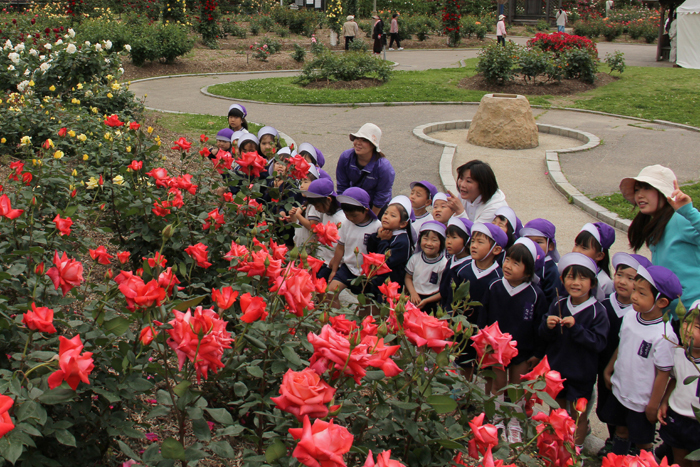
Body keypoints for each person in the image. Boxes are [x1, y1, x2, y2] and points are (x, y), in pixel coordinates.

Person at [601, 265, 681, 455]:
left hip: (642, 400)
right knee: (621, 430)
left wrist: (653, 404)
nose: (634, 296)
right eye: (635, 289)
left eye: (641, 293)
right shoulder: (630, 316)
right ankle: (617, 459)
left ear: (661, 302)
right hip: (621, 388)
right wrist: (608, 369)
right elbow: (623, 344)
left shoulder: (664, 335)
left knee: (643, 441)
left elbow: (664, 373)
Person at [479, 238, 549, 443]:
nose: (508, 265)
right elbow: (484, 317)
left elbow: (539, 326)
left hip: (522, 350)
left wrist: (537, 352)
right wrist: (485, 343)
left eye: (516, 263)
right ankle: (498, 417)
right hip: (496, 348)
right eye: (507, 259)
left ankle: (515, 422)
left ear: (528, 272)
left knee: (517, 387)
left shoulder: (535, 295)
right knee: (498, 384)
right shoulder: (494, 287)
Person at [540, 253, 610, 449]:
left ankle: (575, 451)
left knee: (578, 415)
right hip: (557, 372)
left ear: (593, 283)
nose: (576, 283)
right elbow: (544, 336)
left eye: (582, 278)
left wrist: (577, 328)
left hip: (582, 375)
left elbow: (599, 343)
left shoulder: (598, 311)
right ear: (562, 280)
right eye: (571, 277)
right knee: (557, 411)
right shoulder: (558, 304)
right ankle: (556, 448)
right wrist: (547, 325)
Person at [620, 165, 700, 315]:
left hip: (691, 314)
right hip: (670, 313)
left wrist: (689, 211)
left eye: (647, 188)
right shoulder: (655, 223)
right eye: (637, 189)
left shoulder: (680, 219)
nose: (639, 195)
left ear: (663, 192)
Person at [596, 252, 652, 456]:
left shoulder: (638, 313)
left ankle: (633, 445)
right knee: (608, 405)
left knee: (628, 410)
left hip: (630, 370)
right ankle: (613, 439)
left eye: (631, 278)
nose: (622, 282)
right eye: (619, 275)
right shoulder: (604, 304)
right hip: (606, 364)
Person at [658, 301, 700, 467]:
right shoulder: (678, 353)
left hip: (697, 423)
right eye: (687, 323)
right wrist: (664, 401)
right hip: (677, 416)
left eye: (698, 327)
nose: (689, 330)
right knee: (679, 460)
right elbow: (675, 379)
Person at [327, 187, 381, 307]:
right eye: (347, 215)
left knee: (365, 303)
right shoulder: (346, 224)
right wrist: (334, 270)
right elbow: (340, 247)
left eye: (354, 215)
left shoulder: (376, 226)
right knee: (331, 292)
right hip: (348, 267)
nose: (351, 218)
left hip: (367, 272)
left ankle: (361, 324)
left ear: (366, 210)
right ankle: (338, 319)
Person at [336, 123, 395, 216]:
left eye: (364, 140)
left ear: (373, 145)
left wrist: (372, 219)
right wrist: (344, 212)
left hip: (376, 208)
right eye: (356, 138)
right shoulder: (345, 157)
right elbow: (342, 186)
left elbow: (381, 196)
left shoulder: (384, 167)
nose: (358, 143)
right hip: (353, 203)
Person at [367, 195, 415, 289]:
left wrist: (383, 241)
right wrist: (377, 237)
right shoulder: (384, 232)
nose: (386, 217)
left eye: (392, 215)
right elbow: (370, 250)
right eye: (385, 213)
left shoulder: (402, 242)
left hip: (390, 285)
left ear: (403, 224)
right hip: (376, 280)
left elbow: (385, 262)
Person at [404, 221, 448, 313]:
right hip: (415, 298)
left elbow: (444, 290)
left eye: (434, 240)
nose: (429, 243)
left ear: (441, 243)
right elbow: (408, 277)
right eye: (426, 239)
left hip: (432, 301)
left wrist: (427, 300)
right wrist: (413, 293)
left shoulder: (443, 264)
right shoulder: (415, 258)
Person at [521, 218, 562, 307]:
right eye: (529, 241)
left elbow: (552, 300)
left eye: (539, 242)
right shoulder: (519, 262)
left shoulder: (551, 271)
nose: (533, 245)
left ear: (550, 246)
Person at [573, 222, 616, 301]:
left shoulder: (605, 282)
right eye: (576, 244)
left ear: (599, 255)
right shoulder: (569, 271)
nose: (576, 251)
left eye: (584, 248)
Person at [440, 217, 473, 312]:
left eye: (454, 237)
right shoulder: (451, 260)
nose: (449, 241)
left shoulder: (468, 268)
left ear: (467, 241)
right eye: (448, 237)